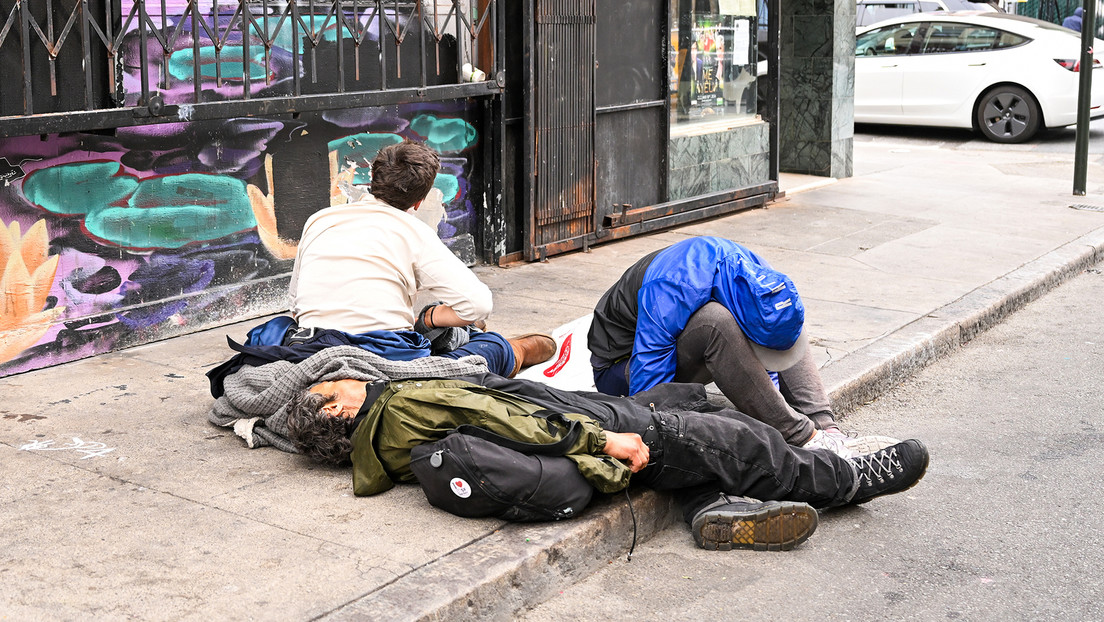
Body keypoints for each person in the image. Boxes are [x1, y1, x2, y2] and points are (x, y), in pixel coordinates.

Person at [281, 356, 929, 552]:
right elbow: (503, 416)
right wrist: (603, 439)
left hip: (576, 417)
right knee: (738, 438)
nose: (345, 375)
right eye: (333, 386)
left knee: (690, 402)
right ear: (337, 411)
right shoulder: (399, 409)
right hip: (585, 430)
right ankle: (845, 479)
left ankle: (711, 507)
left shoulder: (386, 446)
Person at [587, 236, 896, 459]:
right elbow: (648, 393)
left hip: (677, 339)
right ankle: (804, 437)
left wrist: (770, 404)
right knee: (715, 322)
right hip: (621, 368)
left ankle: (827, 430)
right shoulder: (674, 289)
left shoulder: (758, 274)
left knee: (786, 315)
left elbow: (766, 368)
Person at [288, 140, 555, 378]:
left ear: (372, 180)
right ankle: (512, 351)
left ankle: (443, 328)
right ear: (419, 201)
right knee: (485, 349)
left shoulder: (319, 220)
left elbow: (295, 306)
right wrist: (431, 318)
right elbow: (478, 305)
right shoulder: (414, 231)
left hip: (312, 349)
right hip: (383, 358)